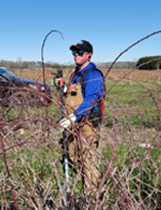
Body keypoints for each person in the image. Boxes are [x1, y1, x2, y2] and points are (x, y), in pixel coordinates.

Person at [59, 40, 105, 197]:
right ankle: (83, 181)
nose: (76, 56)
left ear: (89, 55)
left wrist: (75, 116)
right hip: (73, 122)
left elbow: (91, 100)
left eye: (79, 53)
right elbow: (73, 96)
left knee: (88, 159)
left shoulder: (93, 75)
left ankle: (92, 195)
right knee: (74, 154)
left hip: (87, 123)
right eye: (74, 53)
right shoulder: (75, 74)